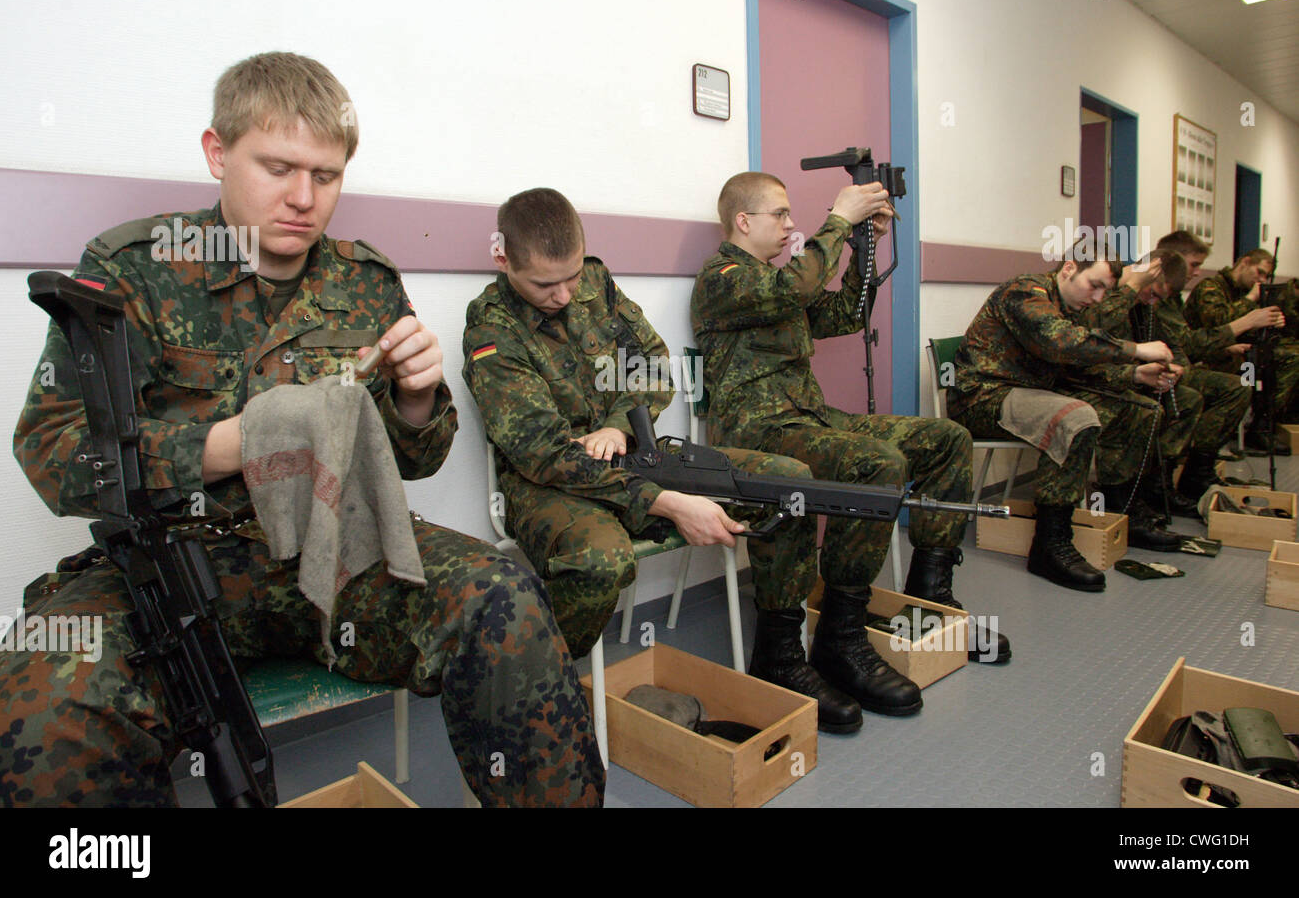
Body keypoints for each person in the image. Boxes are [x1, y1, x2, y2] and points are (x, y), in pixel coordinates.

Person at [0, 53, 603, 808]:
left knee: (504, 597)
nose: (303, 198)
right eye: (278, 167)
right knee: (45, 691)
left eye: (327, 175)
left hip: (339, 549)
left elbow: (414, 459)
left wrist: (418, 401)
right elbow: (54, 454)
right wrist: (233, 443)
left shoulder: (366, 280)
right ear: (218, 153)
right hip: (179, 557)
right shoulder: (137, 270)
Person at [462, 186, 897, 734]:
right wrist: (668, 503)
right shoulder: (491, 328)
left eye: (572, 277)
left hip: (632, 454)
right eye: (545, 285)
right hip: (549, 482)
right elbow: (542, 452)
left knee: (788, 482)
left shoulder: (595, 282)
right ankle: (537, 685)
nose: (566, 295)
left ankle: (782, 658)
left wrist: (619, 424)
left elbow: (655, 362)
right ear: (502, 259)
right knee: (600, 562)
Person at [691, 171, 1010, 671]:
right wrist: (839, 218)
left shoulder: (778, 283)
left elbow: (844, 314)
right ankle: (841, 631)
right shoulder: (723, 279)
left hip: (809, 419)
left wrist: (865, 247)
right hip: (756, 433)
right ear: (743, 220)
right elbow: (794, 287)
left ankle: (931, 600)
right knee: (875, 463)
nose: (790, 224)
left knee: (947, 438)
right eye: (780, 214)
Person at [948, 246, 1179, 591]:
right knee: (1075, 417)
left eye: (1106, 291)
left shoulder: (1069, 305)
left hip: (1031, 394)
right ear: (1069, 268)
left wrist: (1134, 376)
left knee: (1139, 409)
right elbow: (1061, 344)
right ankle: (1050, 543)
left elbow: (1078, 367)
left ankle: (1121, 509)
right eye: (1094, 285)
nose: (1098, 298)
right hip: (982, 396)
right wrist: (1136, 350)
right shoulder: (1025, 291)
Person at [1145, 231, 1253, 505]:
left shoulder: (1170, 294)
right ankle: (1165, 484)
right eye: (1193, 264)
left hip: (1171, 364)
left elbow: (1182, 343)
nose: (1196, 271)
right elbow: (1187, 343)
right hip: (1152, 369)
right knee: (1211, 393)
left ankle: (1198, 471)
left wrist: (1223, 346)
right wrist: (1244, 322)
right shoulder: (1156, 291)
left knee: (1237, 386)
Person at [1183, 248, 1295, 453]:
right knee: (1250, 371)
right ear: (1245, 262)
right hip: (1207, 354)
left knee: (1277, 360)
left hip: (1238, 354)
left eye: (1266, 276)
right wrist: (1250, 300)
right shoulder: (1211, 288)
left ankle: (1262, 422)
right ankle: (1219, 440)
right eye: (1259, 272)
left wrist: (1273, 320)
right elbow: (1219, 324)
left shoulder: (1242, 291)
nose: (1260, 279)